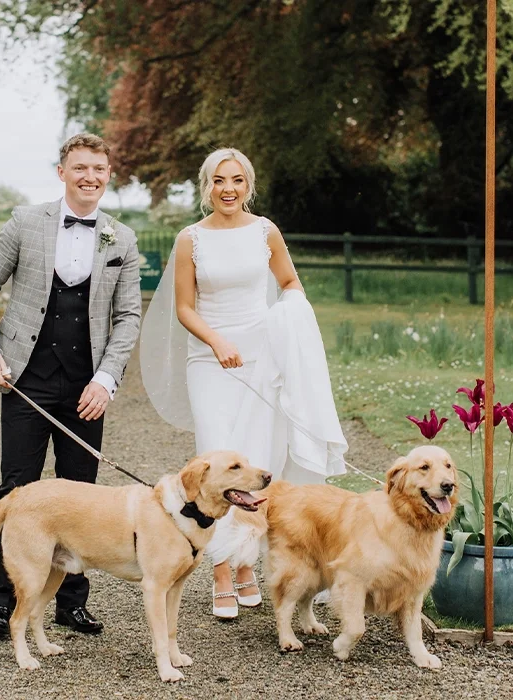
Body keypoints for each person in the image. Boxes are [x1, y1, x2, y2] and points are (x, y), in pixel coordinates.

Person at [139, 147, 347, 619]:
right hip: (210, 361)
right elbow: (185, 307)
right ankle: (219, 573)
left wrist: (288, 318)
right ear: (206, 186)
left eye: (236, 180)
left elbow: (290, 283)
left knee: (259, 462)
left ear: (248, 185)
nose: (227, 188)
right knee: (219, 460)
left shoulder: (266, 231)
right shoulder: (190, 239)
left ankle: (247, 565)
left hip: (262, 355)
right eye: (218, 180)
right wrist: (215, 342)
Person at [0, 133, 142, 637]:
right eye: (80, 167)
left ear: (109, 175)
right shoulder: (26, 223)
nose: (90, 176)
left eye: (99, 169)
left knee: (82, 494)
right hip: (25, 378)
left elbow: (128, 316)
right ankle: (3, 601)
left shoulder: (121, 238)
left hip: (87, 387)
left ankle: (71, 602)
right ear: (62, 172)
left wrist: (106, 379)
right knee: (15, 490)